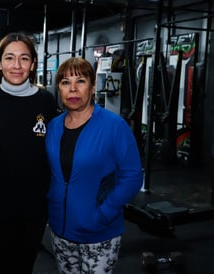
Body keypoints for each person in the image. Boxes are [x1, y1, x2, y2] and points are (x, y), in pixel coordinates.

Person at [0, 32, 59, 274]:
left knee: (23, 268)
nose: (17, 65)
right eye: (9, 58)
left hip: (33, 209)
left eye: (24, 58)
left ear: (32, 64)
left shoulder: (47, 102)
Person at [45, 57, 143, 274]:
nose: (72, 89)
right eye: (65, 82)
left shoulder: (113, 125)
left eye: (80, 81)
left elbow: (133, 176)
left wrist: (104, 213)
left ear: (92, 86)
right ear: (59, 89)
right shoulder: (53, 127)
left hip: (99, 231)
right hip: (60, 229)